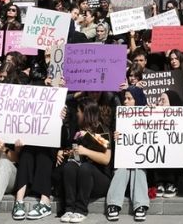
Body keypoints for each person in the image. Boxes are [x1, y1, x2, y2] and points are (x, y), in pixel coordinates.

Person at [55, 100, 112, 223]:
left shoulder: (102, 130)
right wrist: (64, 152)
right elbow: (76, 156)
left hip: (100, 180)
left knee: (85, 168)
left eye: (79, 112)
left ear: (85, 114)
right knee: (70, 166)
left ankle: (81, 210)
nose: (77, 114)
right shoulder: (78, 131)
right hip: (82, 178)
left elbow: (106, 159)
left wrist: (85, 151)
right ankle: (69, 209)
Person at [105, 87, 150, 222]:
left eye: (129, 99)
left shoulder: (149, 116)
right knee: (123, 167)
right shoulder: (118, 116)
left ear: (138, 101)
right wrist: (115, 137)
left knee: (139, 167)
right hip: (123, 158)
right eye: (125, 98)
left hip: (142, 159)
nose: (125, 101)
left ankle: (140, 205)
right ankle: (113, 204)